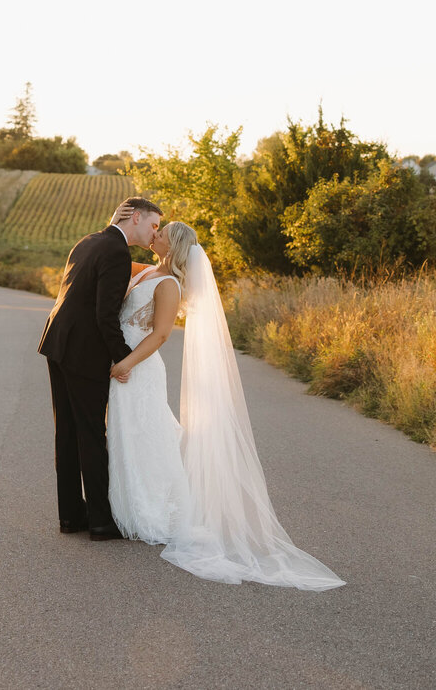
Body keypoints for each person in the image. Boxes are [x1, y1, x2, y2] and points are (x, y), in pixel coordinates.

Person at [107, 214, 345, 590]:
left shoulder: (169, 283)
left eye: (162, 233)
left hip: (138, 369)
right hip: (125, 366)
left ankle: (154, 512)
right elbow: (112, 262)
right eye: (156, 228)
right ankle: (128, 502)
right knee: (129, 433)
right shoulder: (148, 270)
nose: (156, 234)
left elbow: (163, 334)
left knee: (146, 434)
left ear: (175, 246)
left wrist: (125, 364)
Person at [37, 197, 163, 541]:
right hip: (82, 352)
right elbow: (104, 314)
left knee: (67, 432)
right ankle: (101, 522)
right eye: (152, 225)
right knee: (92, 433)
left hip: (57, 341)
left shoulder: (90, 241)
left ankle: (71, 516)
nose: (154, 233)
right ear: (135, 217)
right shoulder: (117, 252)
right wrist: (123, 359)